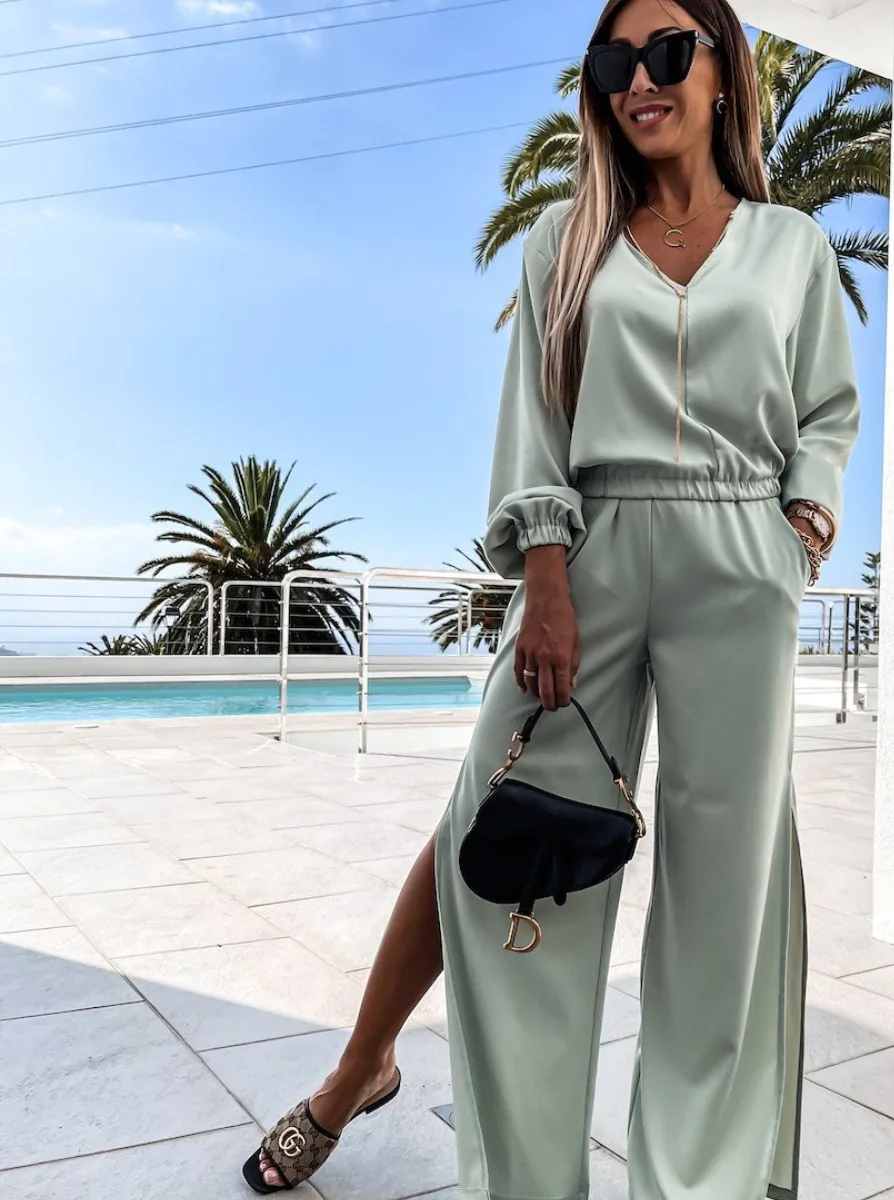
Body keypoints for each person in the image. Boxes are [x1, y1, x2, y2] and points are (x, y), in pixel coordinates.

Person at [243, 0, 860, 1195]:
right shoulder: (563, 245)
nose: (642, 79)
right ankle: (487, 1151)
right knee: (500, 835)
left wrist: (802, 527)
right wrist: (543, 573)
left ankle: (697, 1179)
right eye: (617, 60)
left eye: (668, 52)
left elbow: (826, 410)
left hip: (743, 558)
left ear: (723, 73)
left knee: (725, 892)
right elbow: (536, 416)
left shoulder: (791, 248)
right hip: (591, 550)